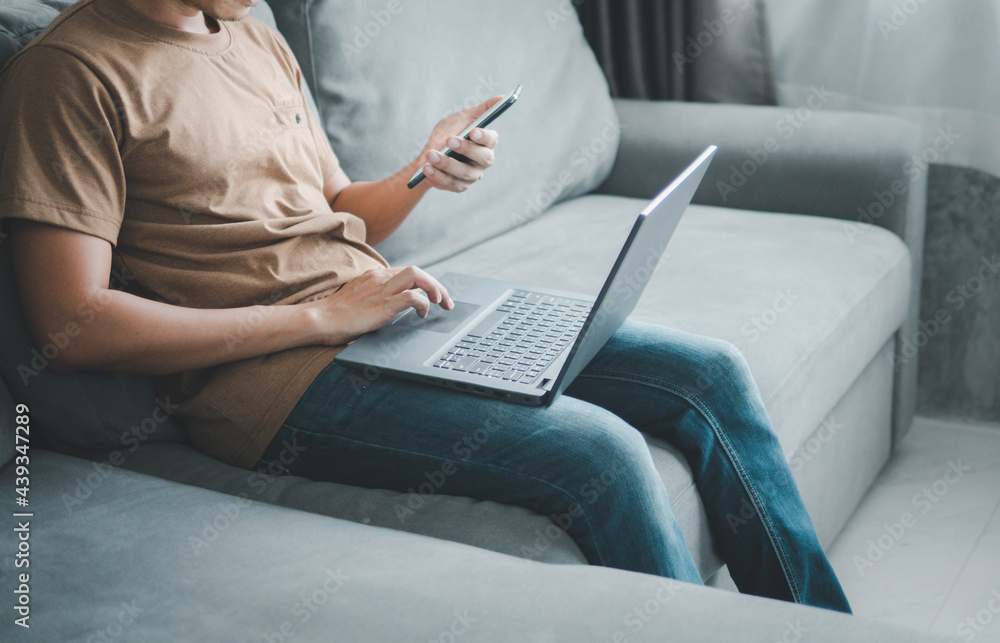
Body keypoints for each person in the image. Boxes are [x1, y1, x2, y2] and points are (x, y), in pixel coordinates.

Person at [0, 0, 851, 612]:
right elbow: (71, 324)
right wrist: (319, 317)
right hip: (268, 380)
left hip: (377, 313)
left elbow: (338, 206)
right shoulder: (71, 73)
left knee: (708, 371)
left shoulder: (253, 36)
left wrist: (424, 169)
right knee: (601, 453)